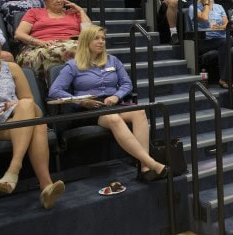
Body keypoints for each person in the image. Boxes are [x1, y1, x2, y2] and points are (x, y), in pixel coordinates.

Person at [48, 25, 167, 181]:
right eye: (96, 38)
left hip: (111, 103)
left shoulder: (113, 60)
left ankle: (144, 169)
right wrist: (82, 101)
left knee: (139, 112)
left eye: (103, 38)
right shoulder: (73, 65)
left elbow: (126, 84)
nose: (101, 42)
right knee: (113, 119)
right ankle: (150, 162)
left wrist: (117, 96)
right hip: (88, 108)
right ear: (86, 41)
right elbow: (54, 91)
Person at [0, 25, 65, 209]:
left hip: (16, 116)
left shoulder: (11, 68)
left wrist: (12, 105)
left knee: (26, 105)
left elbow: (28, 98)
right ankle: (44, 185)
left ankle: (15, 169)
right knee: (37, 125)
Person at [14, 0, 92, 81]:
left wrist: (81, 11)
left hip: (71, 44)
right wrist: (40, 42)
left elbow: (89, 33)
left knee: (91, 48)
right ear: (45, 0)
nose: (59, 0)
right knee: (71, 50)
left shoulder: (73, 13)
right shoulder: (34, 12)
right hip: (42, 46)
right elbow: (19, 34)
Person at [189, 0, 233, 88]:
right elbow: (205, 18)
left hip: (223, 38)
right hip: (206, 41)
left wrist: (220, 27)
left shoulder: (219, 7)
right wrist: (206, 3)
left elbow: (226, 24)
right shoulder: (193, 8)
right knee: (225, 43)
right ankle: (224, 79)